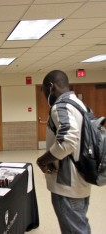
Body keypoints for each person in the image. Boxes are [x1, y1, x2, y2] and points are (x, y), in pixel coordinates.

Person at [36, 70, 91, 234]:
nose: (45, 95)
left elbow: (68, 139)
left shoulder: (60, 106)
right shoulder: (80, 105)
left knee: (75, 230)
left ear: (51, 86)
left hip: (67, 183)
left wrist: (43, 160)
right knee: (79, 225)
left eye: (45, 91)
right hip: (82, 177)